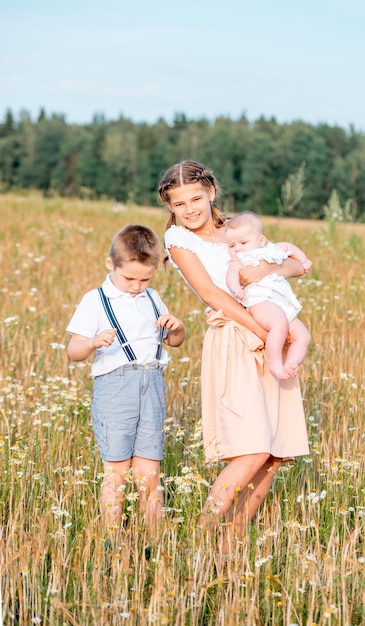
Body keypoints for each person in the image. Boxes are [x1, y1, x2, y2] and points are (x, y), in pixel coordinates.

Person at [158, 160, 310, 553]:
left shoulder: (239, 231)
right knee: (253, 446)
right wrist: (262, 332)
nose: (190, 208)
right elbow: (212, 294)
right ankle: (200, 537)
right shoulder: (179, 241)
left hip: (272, 334)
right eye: (179, 203)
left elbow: (294, 263)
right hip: (237, 336)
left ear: (211, 192)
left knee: (274, 453)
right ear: (169, 207)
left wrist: (264, 272)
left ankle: (230, 546)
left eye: (196, 198)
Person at [66, 224, 185, 544]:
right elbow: (73, 350)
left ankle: (154, 542)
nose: (136, 286)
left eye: (145, 279)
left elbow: (174, 341)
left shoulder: (153, 298)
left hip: (152, 384)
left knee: (149, 475)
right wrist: (92, 342)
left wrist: (177, 328)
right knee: (116, 472)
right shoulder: (95, 300)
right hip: (116, 387)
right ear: (111, 265)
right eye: (129, 278)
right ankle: (112, 541)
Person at [225, 211, 312, 380]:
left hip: (282, 304)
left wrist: (304, 260)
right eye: (231, 245)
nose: (237, 248)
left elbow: (288, 246)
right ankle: (274, 362)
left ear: (261, 241)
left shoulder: (271, 250)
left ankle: (292, 363)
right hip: (260, 302)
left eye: (243, 242)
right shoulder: (239, 261)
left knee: (303, 336)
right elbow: (231, 274)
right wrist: (236, 288)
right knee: (279, 324)